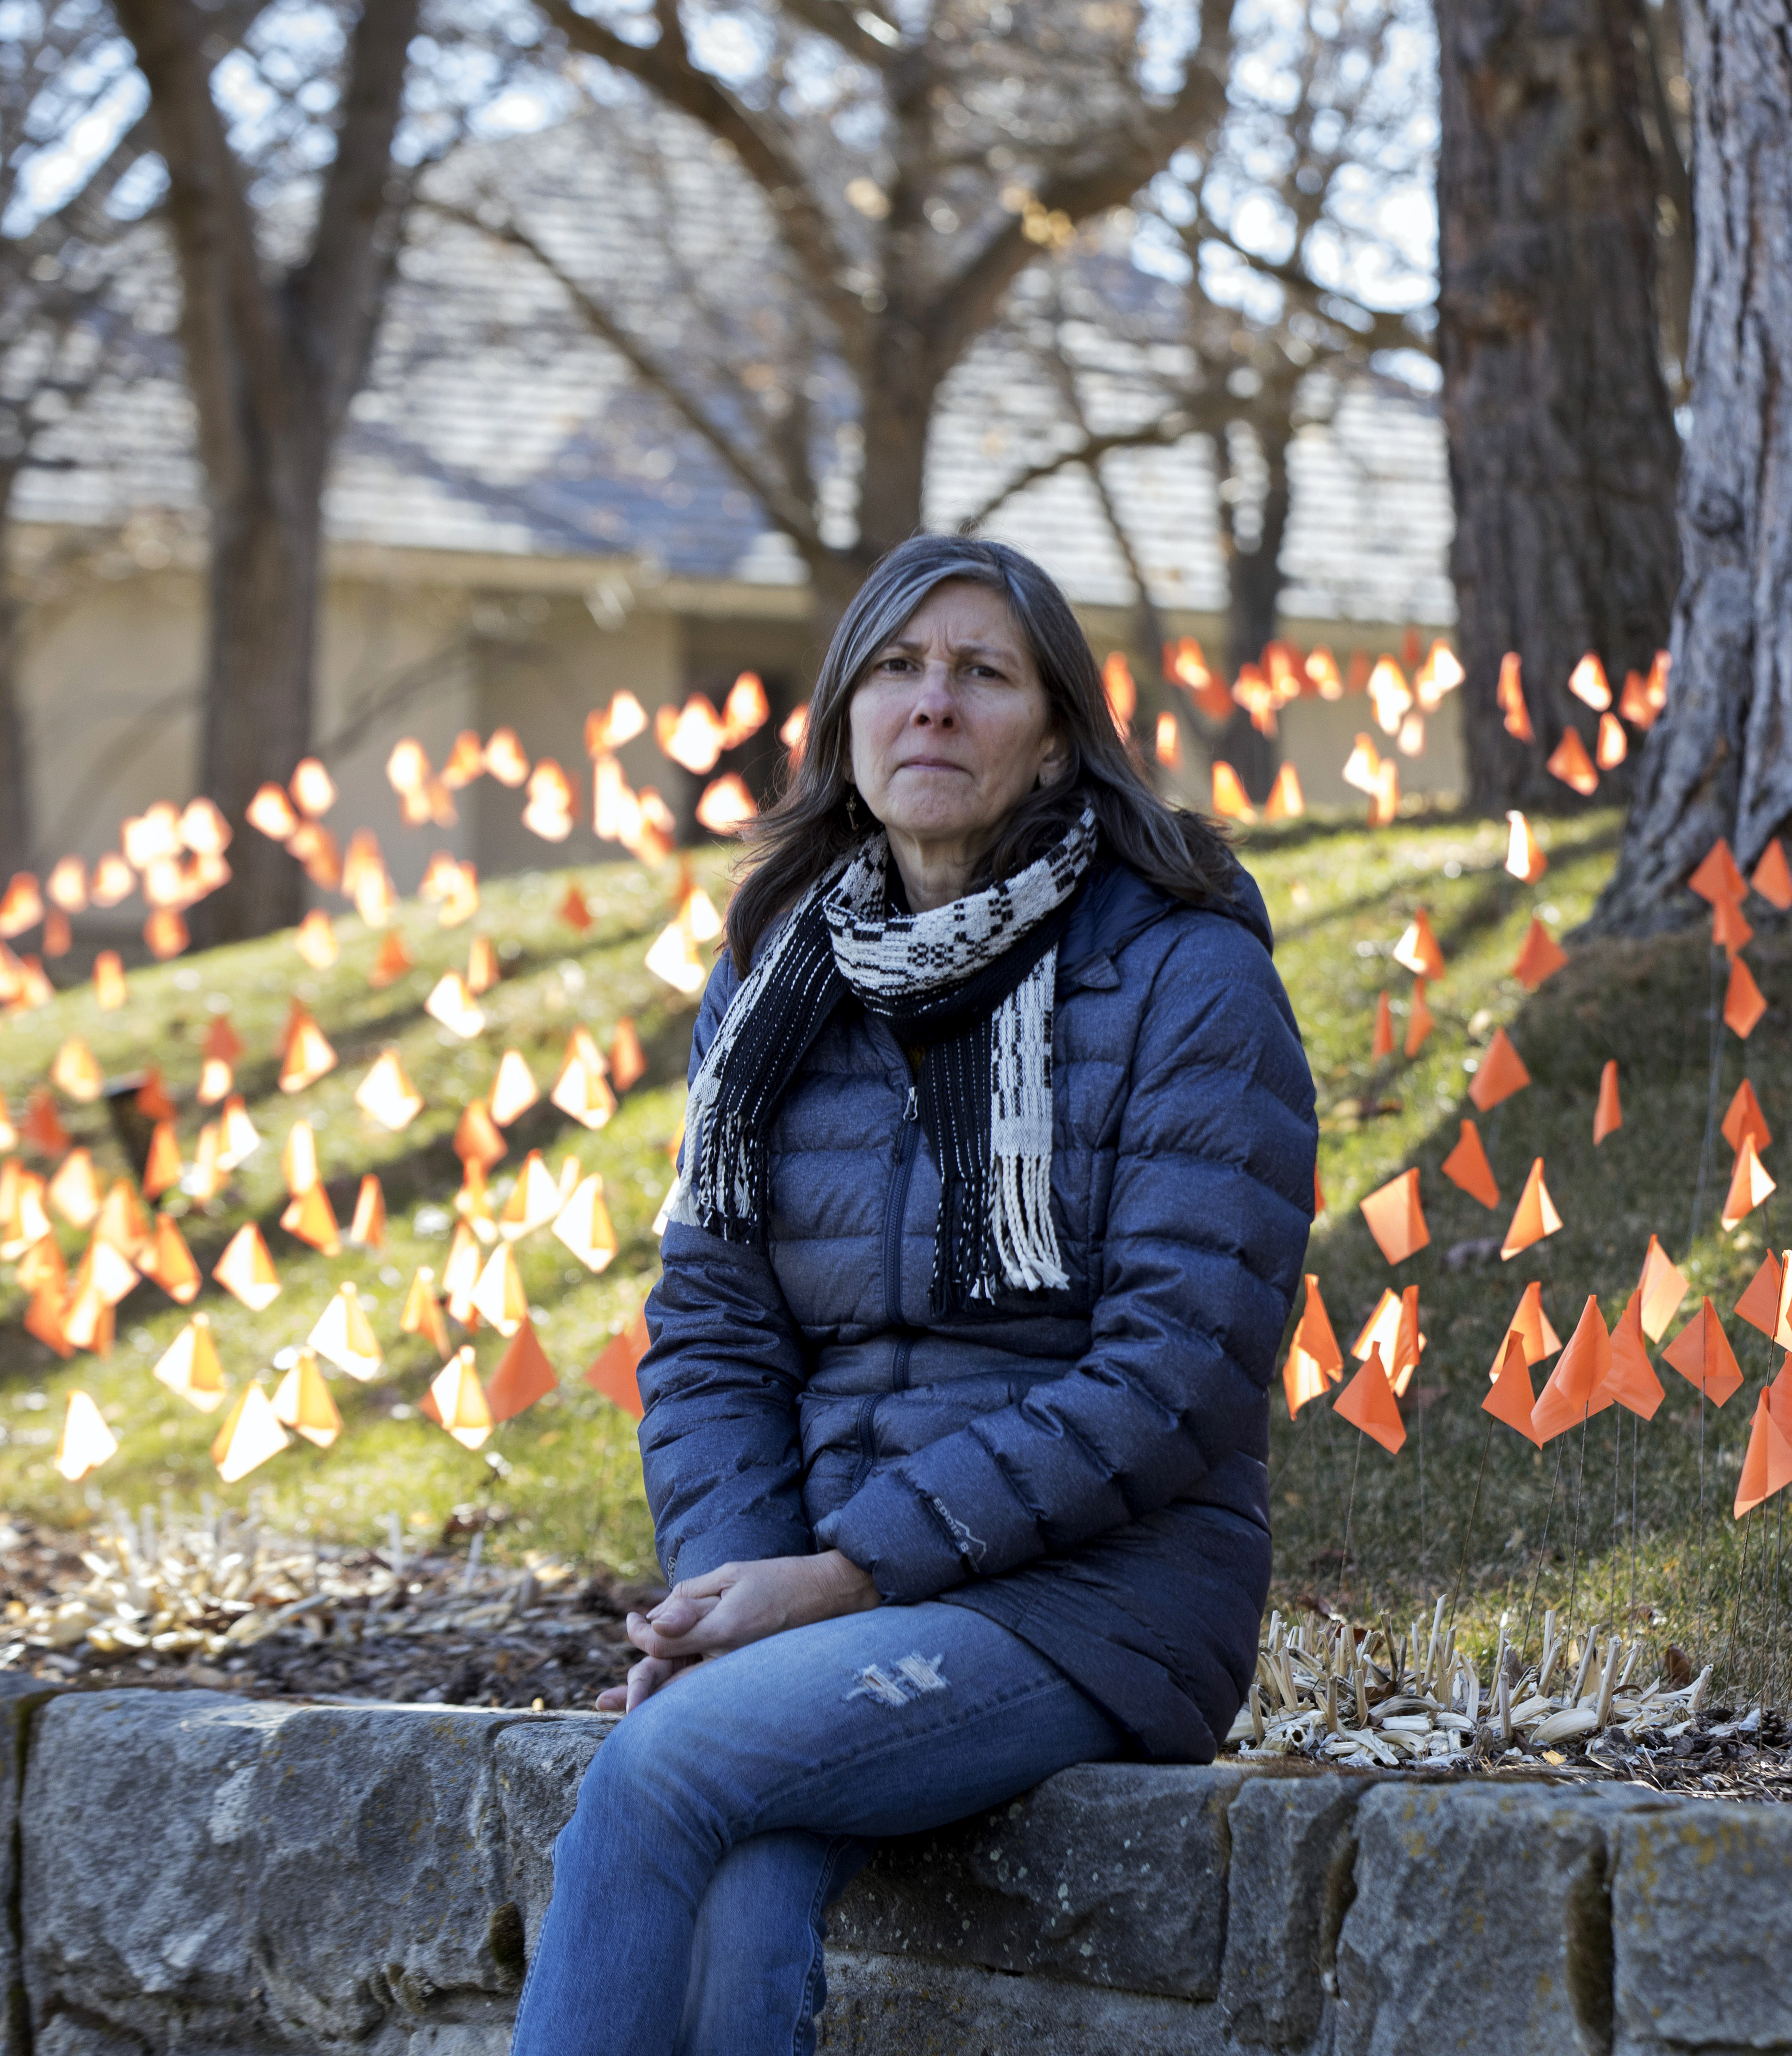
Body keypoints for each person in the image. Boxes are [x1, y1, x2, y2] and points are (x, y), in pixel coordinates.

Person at [508, 534, 1317, 2054]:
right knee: (746, 1865)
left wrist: (840, 1582)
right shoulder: (771, 984)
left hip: (1097, 1601)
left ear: (1059, 732)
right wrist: (736, 1592)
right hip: (824, 1590)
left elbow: (1181, 1368)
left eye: (982, 674)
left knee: (666, 1772)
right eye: (896, 668)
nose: (931, 705)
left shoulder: (1186, 978)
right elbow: (710, 1333)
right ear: (845, 722)